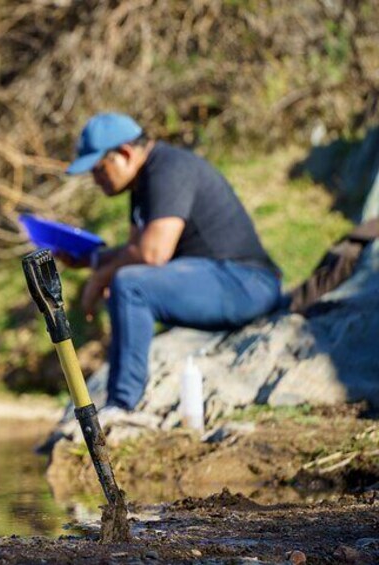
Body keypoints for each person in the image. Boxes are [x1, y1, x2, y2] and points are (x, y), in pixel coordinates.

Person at [61, 112, 282, 417]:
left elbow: (153, 254)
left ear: (125, 154)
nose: (95, 181)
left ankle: (122, 406)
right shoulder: (142, 184)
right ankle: (120, 400)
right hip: (221, 279)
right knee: (128, 282)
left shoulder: (169, 169)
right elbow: (136, 249)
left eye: (98, 170)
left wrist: (100, 278)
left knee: (130, 284)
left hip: (247, 283)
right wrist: (91, 259)